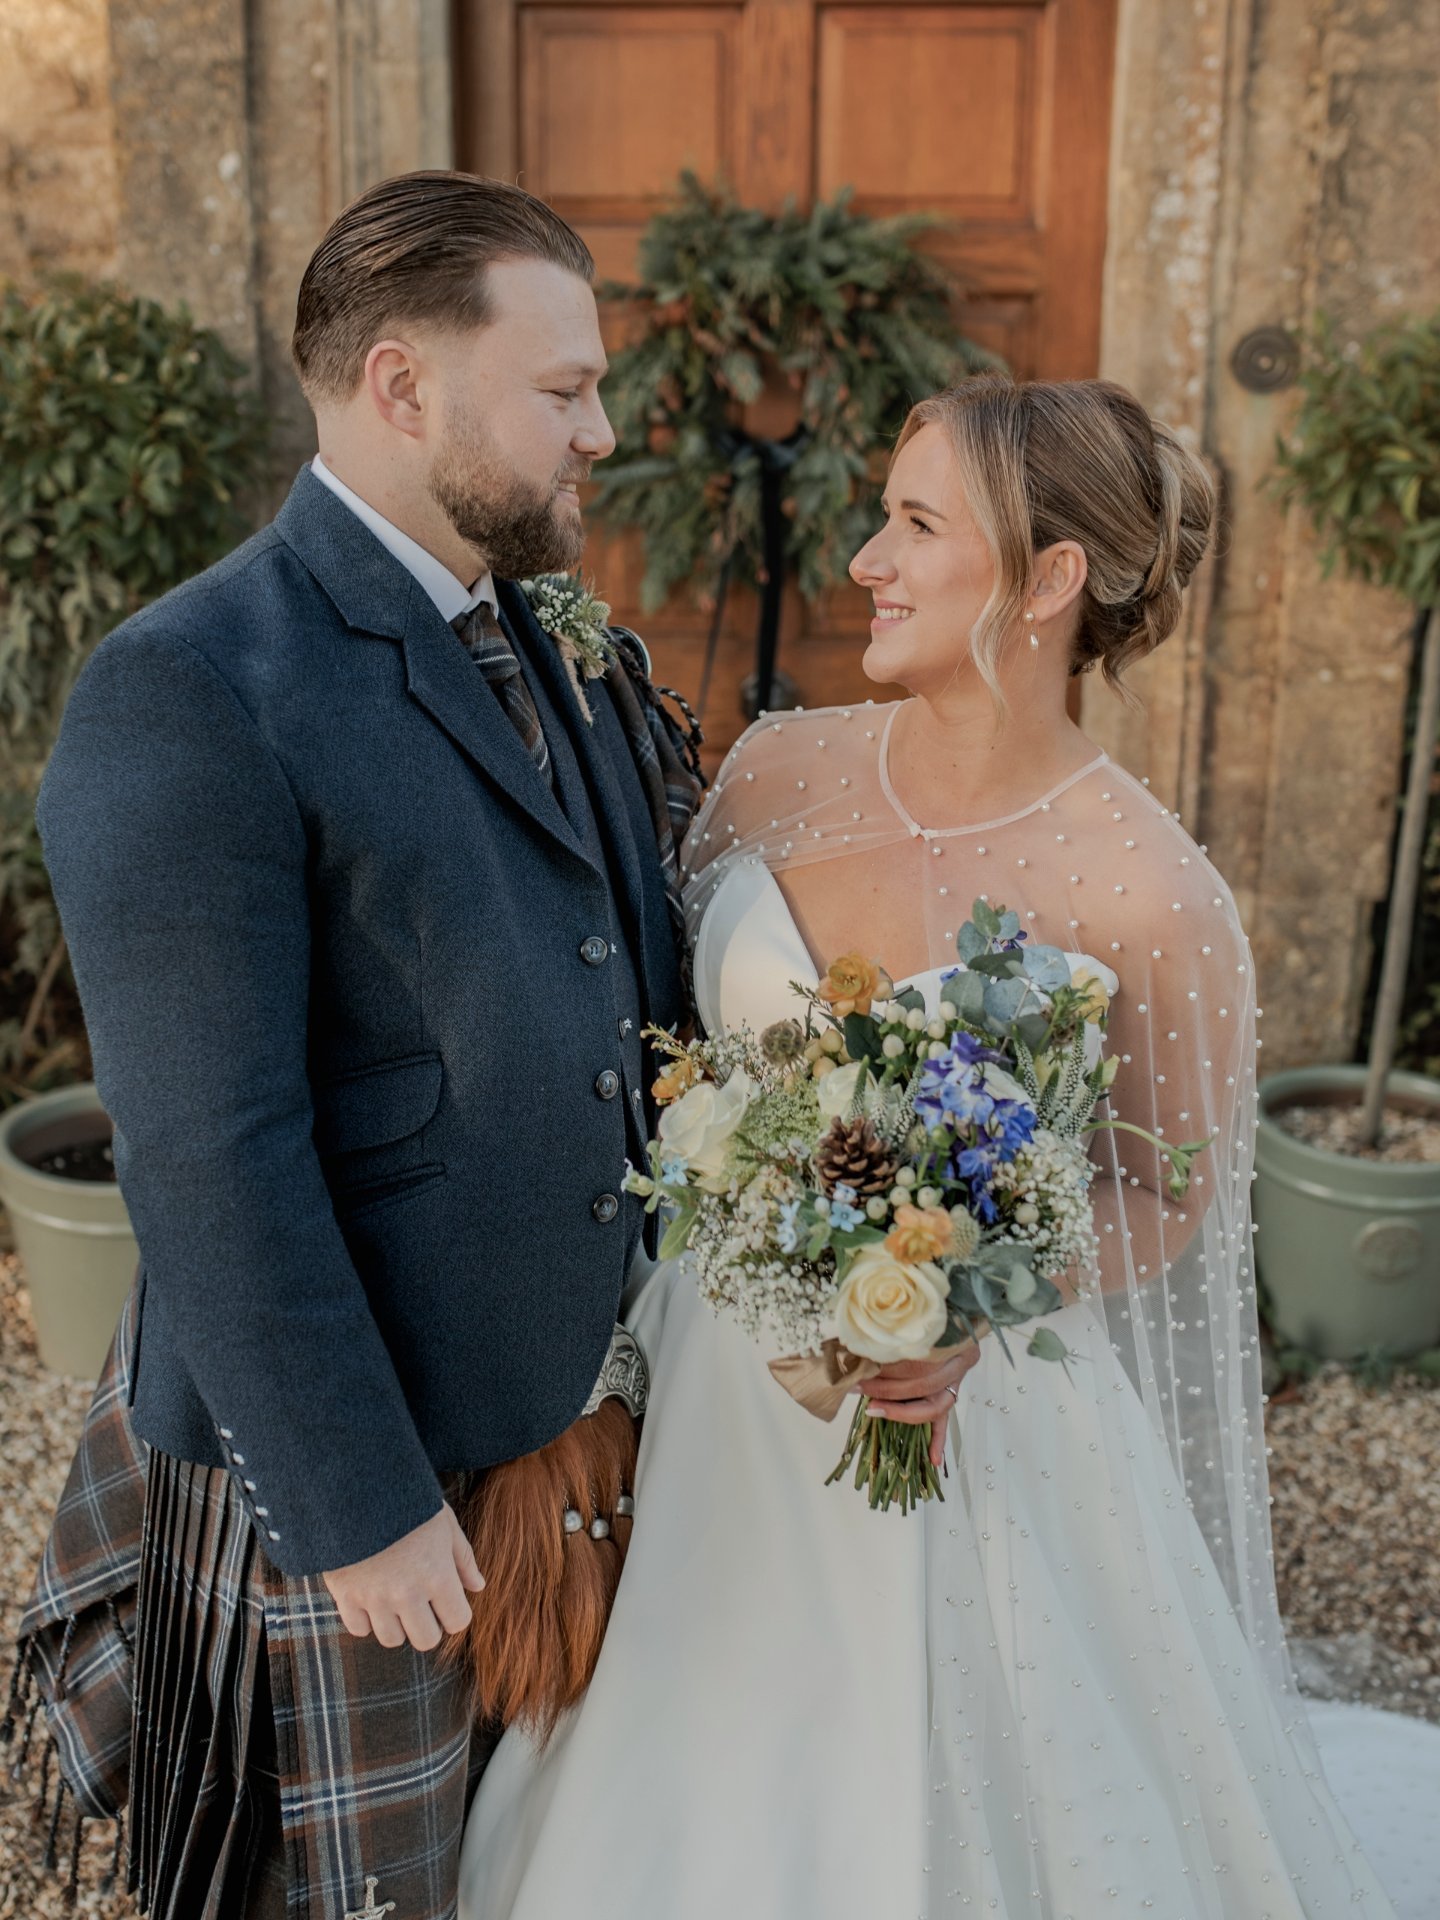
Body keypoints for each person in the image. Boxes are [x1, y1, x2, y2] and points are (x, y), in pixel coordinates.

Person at [456, 373, 1401, 1918]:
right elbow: (662, 1051)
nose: (864, 562)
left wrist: (968, 1295)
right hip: (706, 1391)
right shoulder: (775, 769)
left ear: (1048, 577)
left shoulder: (1155, 896)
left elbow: (1166, 1193)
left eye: (913, 525)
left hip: (962, 1427)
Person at [16, 170, 700, 1919]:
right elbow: (207, 1148)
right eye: (565, 390)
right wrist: (356, 1507)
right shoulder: (190, 685)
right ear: (403, 384)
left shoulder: (542, 631)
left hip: (563, 1416)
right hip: (360, 1461)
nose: (601, 431)